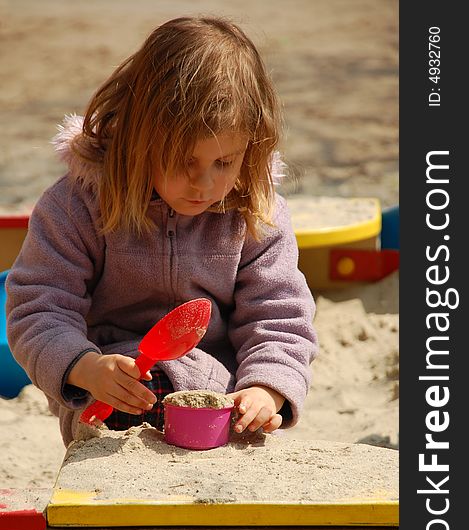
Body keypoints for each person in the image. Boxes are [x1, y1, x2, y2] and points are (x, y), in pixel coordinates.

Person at [6, 16, 318, 447]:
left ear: (251, 147)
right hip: (112, 392)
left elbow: (278, 315)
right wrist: (84, 367)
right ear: (140, 138)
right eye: (184, 161)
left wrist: (268, 388)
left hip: (220, 392)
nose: (203, 184)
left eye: (223, 162)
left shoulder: (255, 214)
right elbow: (39, 307)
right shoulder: (79, 204)